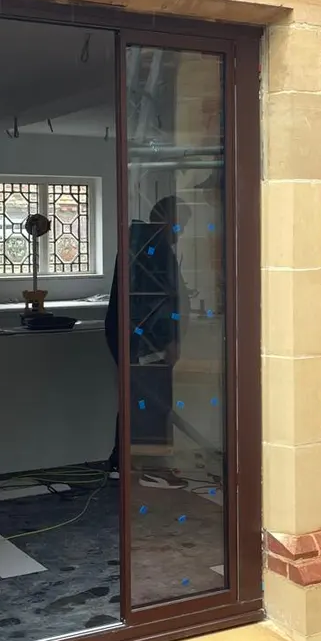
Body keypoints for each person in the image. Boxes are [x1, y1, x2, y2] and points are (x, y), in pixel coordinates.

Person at [103, 197, 190, 479]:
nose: (183, 232)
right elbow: (155, 301)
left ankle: (124, 461)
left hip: (130, 336)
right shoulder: (154, 248)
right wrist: (168, 340)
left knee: (137, 397)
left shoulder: (136, 241)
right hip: (143, 340)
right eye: (182, 225)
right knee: (149, 400)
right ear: (170, 221)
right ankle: (149, 467)